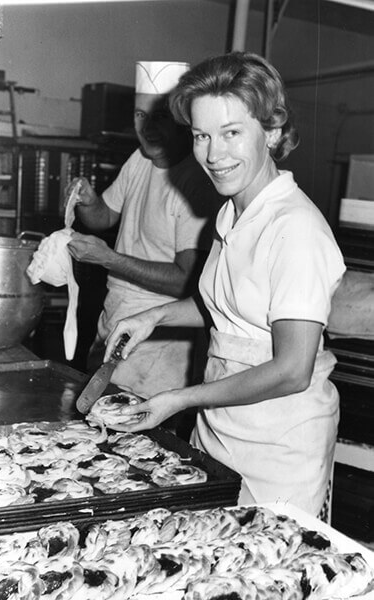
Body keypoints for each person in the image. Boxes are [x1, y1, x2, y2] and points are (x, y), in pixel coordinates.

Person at [103, 51, 346, 517]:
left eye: (232, 133)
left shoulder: (295, 229)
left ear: (272, 131)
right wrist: (154, 316)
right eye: (201, 136)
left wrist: (177, 399)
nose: (213, 155)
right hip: (218, 431)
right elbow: (231, 305)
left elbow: (292, 369)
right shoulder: (233, 211)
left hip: (279, 449)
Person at [67, 61, 222, 401]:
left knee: (139, 440)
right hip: (114, 320)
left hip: (158, 342)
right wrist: (89, 202)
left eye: (161, 117)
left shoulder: (196, 185)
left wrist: (108, 259)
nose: (148, 128)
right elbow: (104, 217)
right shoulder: (140, 159)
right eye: (140, 116)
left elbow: (187, 281)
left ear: (183, 122)